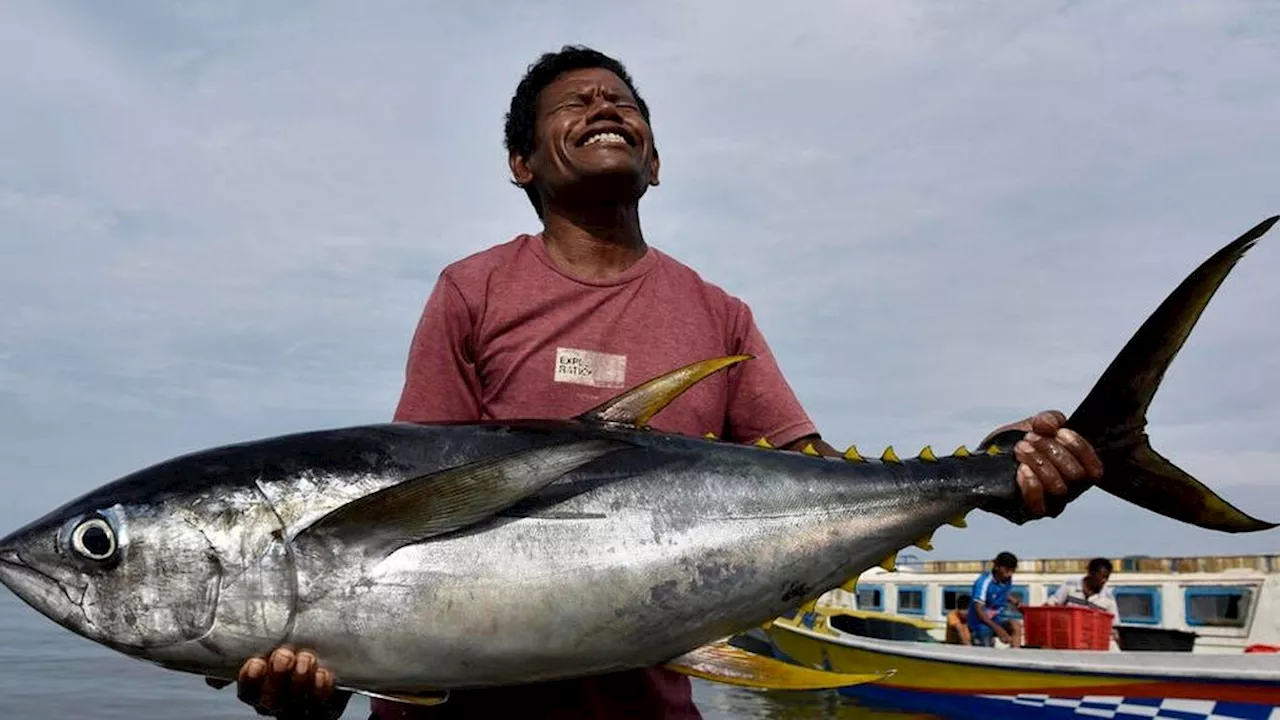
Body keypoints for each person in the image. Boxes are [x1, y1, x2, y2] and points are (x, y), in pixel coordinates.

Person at [217, 45, 1105, 719]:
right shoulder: (474, 289)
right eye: (574, 103)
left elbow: (814, 473)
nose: (605, 106)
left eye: (622, 101)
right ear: (522, 164)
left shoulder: (718, 312)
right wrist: (328, 674)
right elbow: (407, 502)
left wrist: (992, 475)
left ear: (655, 160)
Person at [968, 551, 1024, 648]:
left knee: (1016, 625)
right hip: (980, 623)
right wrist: (999, 630)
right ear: (997, 567)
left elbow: (1002, 593)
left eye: (1013, 570)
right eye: (1007, 570)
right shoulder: (983, 582)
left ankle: (1015, 655)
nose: (1010, 574)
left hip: (996, 619)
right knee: (985, 633)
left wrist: (1014, 601)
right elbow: (979, 610)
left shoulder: (1007, 580)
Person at [1048, 557, 1119, 622]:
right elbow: (1051, 605)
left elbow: (1114, 624)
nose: (1104, 580)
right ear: (1090, 573)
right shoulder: (1070, 585)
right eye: (1101, 576)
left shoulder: (1109, 599)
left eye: (1106, 577)